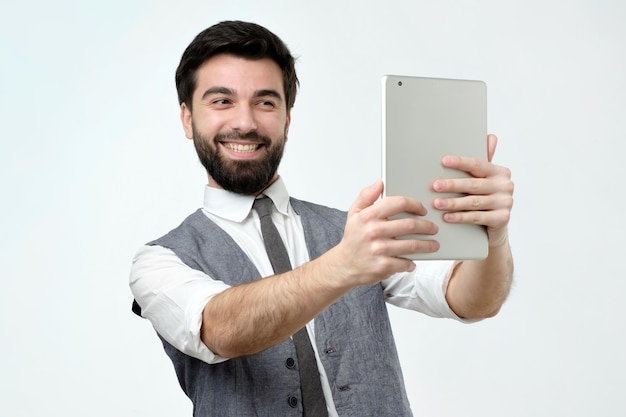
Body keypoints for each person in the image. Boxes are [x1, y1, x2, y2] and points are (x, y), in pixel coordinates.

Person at [129, 20, 514, 417]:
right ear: (187, 119)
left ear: (287, 120)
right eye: (221, 101)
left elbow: (471, 301)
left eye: (265, 102)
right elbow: (219, 329)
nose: (245, 122)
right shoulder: (158, 263)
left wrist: (492, 236)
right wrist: (343, 265)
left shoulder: (353, 230)